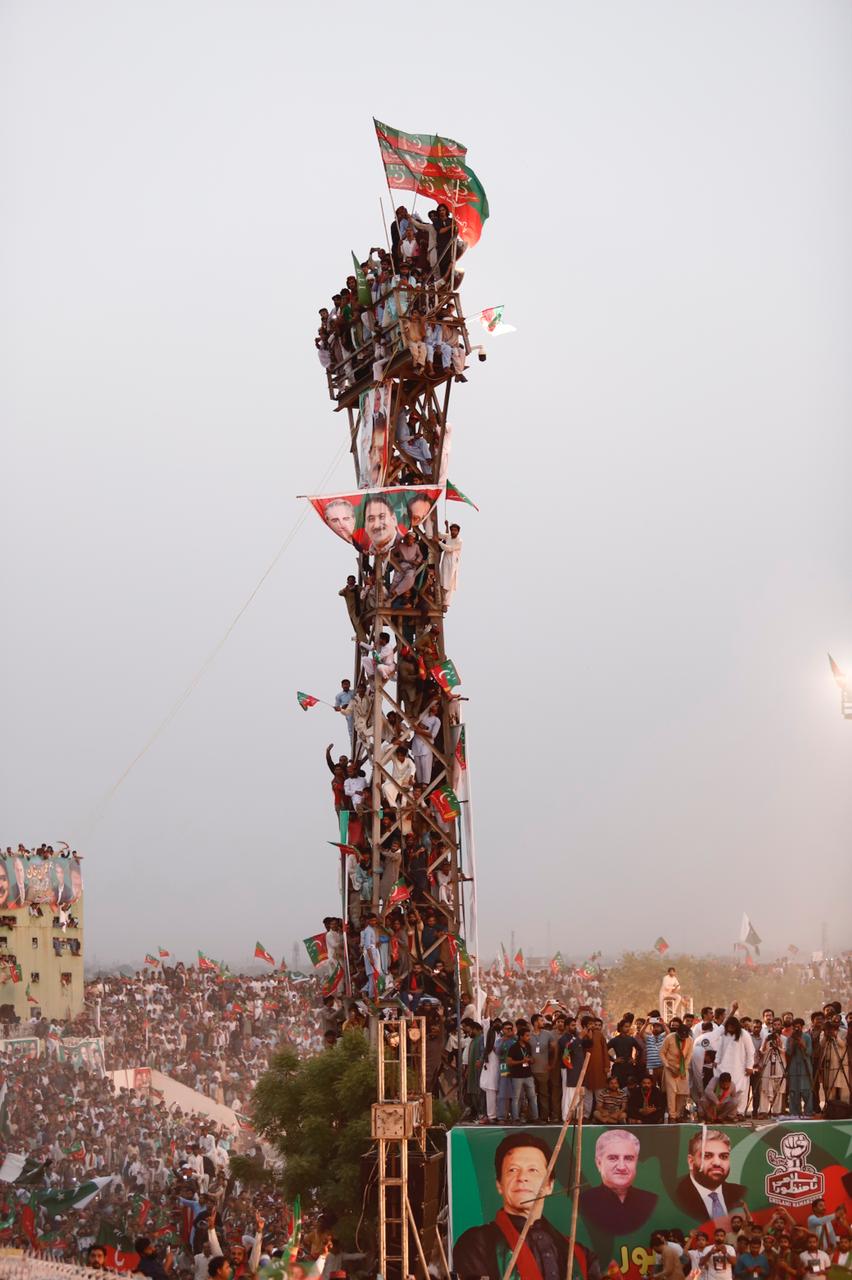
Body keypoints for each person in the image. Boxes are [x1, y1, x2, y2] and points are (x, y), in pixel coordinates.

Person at [452, 1132, 570, 1279]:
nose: (522, 1178)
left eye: (533, 1170)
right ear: (499, 1184)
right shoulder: (476, 1243)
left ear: (549, 1185)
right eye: (513, 1170)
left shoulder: (573, 1252)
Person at [579, 1130, 658, 1234]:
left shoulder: (651, 1200)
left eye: (628, 1158)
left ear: (636, 1162)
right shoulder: (582, 1202)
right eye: (613, 1158)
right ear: (599, 1163)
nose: (621, 1167)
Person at [673, 1130, 747, 1221]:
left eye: (723, 1156)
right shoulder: (675, 1195)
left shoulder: (740, 1193)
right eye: (707, 1156)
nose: (717, 1163)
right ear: (691, 1161)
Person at [714, 1016, 755, 1115]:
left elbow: (750, 1051)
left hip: (740, 1067)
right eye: (728, 1027)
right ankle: (727, 1112)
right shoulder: (724, 1034)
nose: (730, 1029)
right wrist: (717, 1060)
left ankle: (739, 1112)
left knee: (741, 1090)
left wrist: (750, 1066)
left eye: (732, 1027)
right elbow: (720, 1048)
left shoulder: (744, 1034)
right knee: (725, 1089)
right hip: (725, 1066)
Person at [661, 1023, 693, 1120]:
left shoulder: (690, 1040)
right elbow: (662, 1053)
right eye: (681, 1036)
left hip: (682, 1069)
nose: (683, 1038)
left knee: (683, 1092)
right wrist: (668, 1067)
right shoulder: (669, 1038)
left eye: (685, 1036)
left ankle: (678, 1114)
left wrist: (683, 1069)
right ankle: (672, 1115)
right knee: (672, 1092)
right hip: (670, 1068)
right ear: (677, 1033)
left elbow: (689, 1056)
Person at [507, 1023, 539, 1122]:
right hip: (517, 1076)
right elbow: (509, 1062)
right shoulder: (513, 1047)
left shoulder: (528, 1046)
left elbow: (530, 1058)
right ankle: (515, 1118)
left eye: (529, 1035)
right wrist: (522, 1061)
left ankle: (535, 1117)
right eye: (527, 1035)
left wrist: (531, 1060)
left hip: (528, 1075)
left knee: (533, 1097)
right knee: (516, 1098)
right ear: (521, 1037)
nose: (529, 1037)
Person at [411, 703, 440, 785]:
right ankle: (420, 785)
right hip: (416, 745)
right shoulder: (423, 715)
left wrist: (420, 731)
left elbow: (433, 735)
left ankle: (425, 785)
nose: (434, 706)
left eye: (436, 705)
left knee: (425, 769)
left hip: (426, 746)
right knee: (418, 770)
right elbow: (414, 722)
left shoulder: (436, 720)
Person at [437, 522, 462, 607]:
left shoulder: (459, 541)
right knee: (443, 581)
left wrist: (439, 543)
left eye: (455, 530)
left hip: (453, 563)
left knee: (449, 584)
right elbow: (440, 535)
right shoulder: (448, 536)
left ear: (458, 531)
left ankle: (446, 603)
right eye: (452, 530)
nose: (453, 532)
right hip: (445, 561)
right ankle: (442, 601)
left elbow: (449, 549)